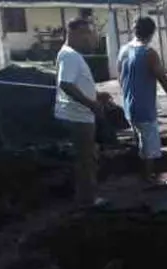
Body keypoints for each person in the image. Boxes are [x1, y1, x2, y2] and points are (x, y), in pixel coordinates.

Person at [118, 17, 167, 188]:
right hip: (144, 107)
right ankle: (150, 180)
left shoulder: (124, 50)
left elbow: (120, 78)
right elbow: (165, 82)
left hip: (129, 105)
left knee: (140, 142)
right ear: (152, 33)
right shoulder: (148, 53)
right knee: (149, 147)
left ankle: (142, 177)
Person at [55, 18, 105, 208]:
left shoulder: (69, 54)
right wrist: (91, 103)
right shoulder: (70, 56)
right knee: (86, 160)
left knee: (85, 158)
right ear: (73, 33)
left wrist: (96, 94)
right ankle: (88, 201)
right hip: (78, 116)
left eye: (90, 33)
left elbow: (74, 82)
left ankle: (84, 197)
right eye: (85, 33)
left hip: (76, 114)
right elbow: (65, 83)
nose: (89, 38)